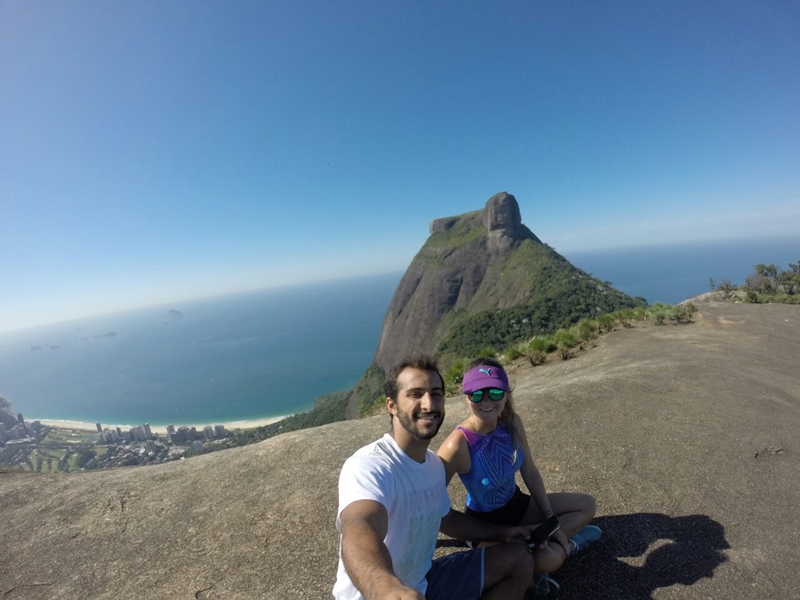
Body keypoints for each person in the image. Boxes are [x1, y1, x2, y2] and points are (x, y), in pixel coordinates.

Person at [333, 355, 538, 600]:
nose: (428, 404)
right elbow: (360, 526)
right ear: (392, 405)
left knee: (520, 561)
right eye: (415, 394)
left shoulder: (433, 465)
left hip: (424, 581)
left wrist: (503, 533)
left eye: (436, 394)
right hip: (378, 593)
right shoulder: (370, 465)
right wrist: (386, 589)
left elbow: (446, 518)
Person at [437, 358, 602, 596]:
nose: (486, 401)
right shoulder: (458, 444)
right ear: (467, 398)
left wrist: (551, 521)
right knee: (547, 560)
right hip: (486, 524)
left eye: (495, 392)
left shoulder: (511, 423)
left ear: (505, 395)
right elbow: (431, 501)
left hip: (517, 505)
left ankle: (556, 540)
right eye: (477, 394)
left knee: (586, 504)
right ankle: (565, 544)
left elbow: (530, 472)